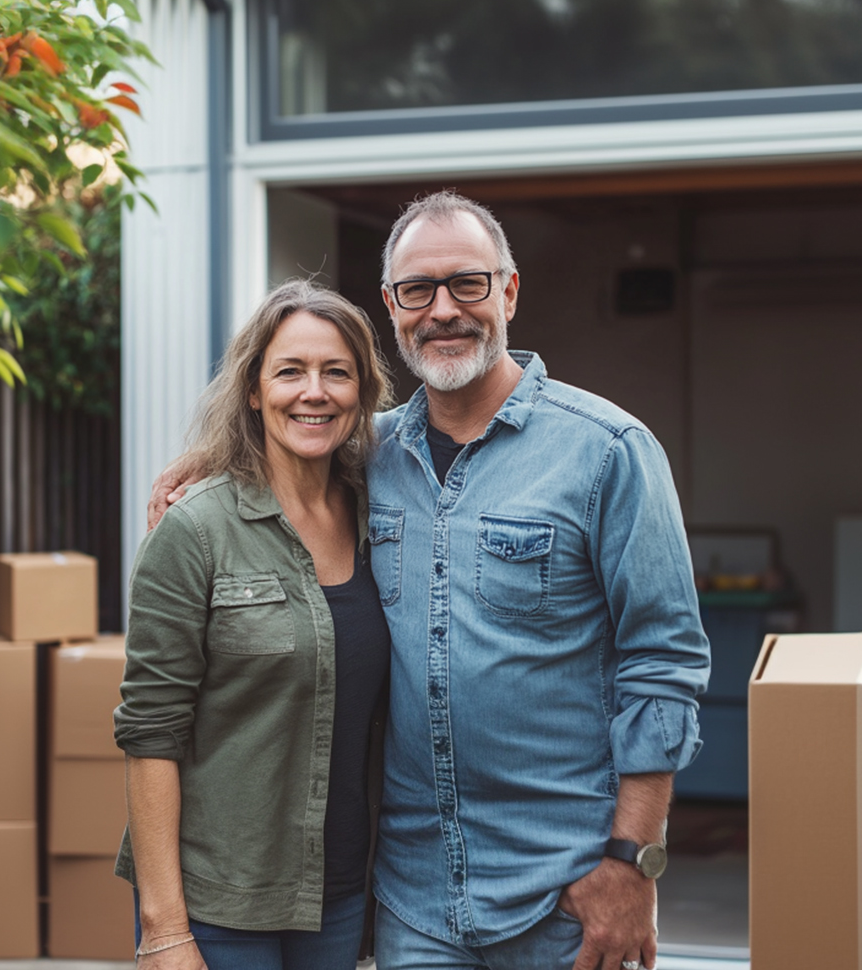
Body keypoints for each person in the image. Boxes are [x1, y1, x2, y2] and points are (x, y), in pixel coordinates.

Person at [150, 192, 710, 970]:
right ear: (391, 307)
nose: (443, 310)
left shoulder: (608, 452)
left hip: (562, 895)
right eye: (419, 290)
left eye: (468, 284)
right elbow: (290, 436)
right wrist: (209, 464)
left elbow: (664, 663)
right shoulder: (368, 456)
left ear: (509, 291)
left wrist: (632, 862)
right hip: (414, 900)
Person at [113, 279, 394, 970]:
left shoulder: (380, 509)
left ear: (361, 391)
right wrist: (165, 928)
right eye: (290, 371)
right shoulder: (196, 530)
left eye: (337, 372)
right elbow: (151, 732)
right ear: (251, 388)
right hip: (219, 905)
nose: (315, 391)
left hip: (341, 895)